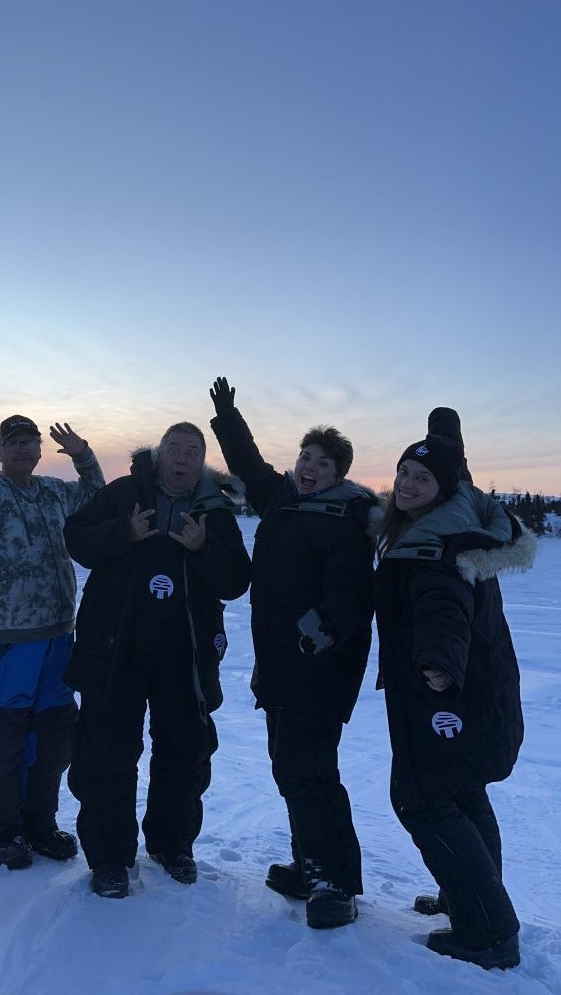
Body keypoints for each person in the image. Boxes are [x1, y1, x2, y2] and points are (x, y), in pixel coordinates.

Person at [209, 378, 379, 929]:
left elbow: (352, 593)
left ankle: (337, 883)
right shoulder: (283, 499)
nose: (309, 467)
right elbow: (250, 464)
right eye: (305, 456)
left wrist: (319, 630)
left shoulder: (349, 518)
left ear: (340, 473)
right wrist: (228, 418)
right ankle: (310, 864)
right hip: (279, 663)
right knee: (289, 767)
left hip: (320, 665)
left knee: (308, 769)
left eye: (323, 462)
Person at [62, 422, 251, 898]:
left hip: (184, 655)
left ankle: (171, 846)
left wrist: (203, 548)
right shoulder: (126, 492)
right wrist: (122, 533)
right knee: (107, 753)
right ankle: (109, 859)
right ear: (160, 453)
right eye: (175, 448)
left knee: (184, 755)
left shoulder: (215, 509)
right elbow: (77, 538)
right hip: (115, 648)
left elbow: (236, 580)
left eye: (192, 451)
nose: (182, 458)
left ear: (202, 460)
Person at [374, 423, 536, 969]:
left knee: (420, 799)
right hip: (478, 691)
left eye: (422, 477)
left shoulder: (434, 542)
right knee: (462, 790)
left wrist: (439, 663)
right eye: (403, 472)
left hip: (445, 693)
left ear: (445, 489)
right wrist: (443, 438)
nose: (407, 484)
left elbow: (444, 604)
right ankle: (467, 894)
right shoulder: (453, 519)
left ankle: (488, 931)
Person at [0, 414, 105, 869]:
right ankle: (0, 833)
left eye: (29, 442)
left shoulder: (53, 492)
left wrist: (83, 456)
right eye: (12, 443)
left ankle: (39, 825)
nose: (23, 450)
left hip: (56, 640)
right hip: (3, 648)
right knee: (0, 740)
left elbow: (96, 498)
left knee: (52, 740)